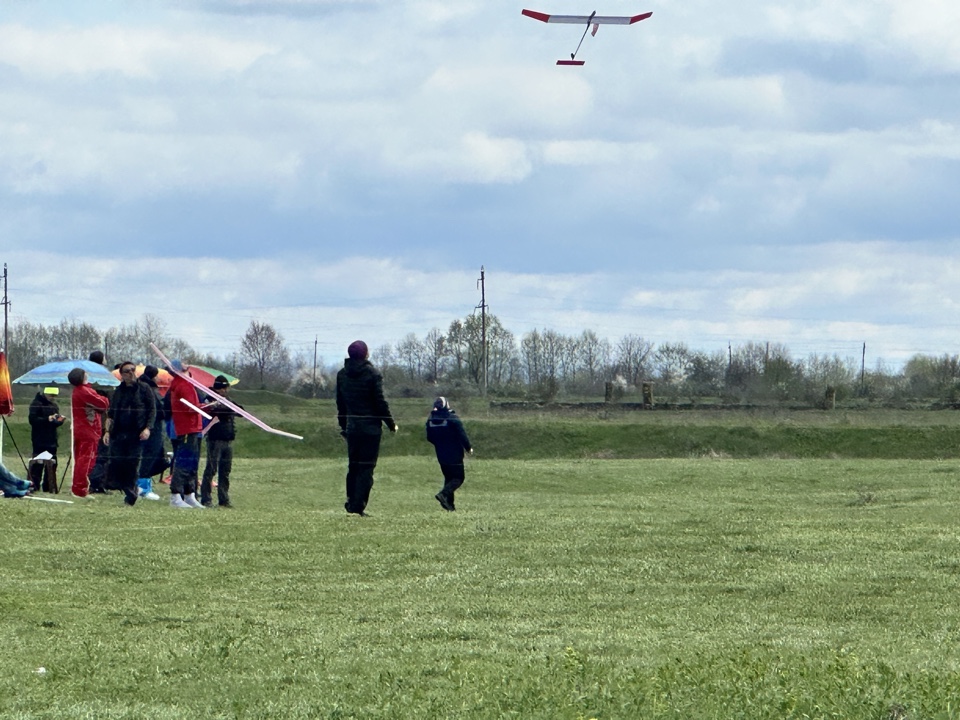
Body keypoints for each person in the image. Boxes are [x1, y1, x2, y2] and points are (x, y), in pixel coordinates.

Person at [336, 340, 398, 516]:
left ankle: (350, 501)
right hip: (370, 429)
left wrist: (343, 425)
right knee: (366, 468)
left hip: (353, 427)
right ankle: (358, 505)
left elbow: (340, 403)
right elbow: (380, 402)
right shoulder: (372, 374)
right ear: (365, 354)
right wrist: (391, 424)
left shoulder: (342, 375)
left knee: (353, 466)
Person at [103, 361, 156, 506]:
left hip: (136, 434)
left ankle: (131, 494)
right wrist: (107, 431)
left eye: (133, 370)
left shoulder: (144, 389)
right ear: (122, 374)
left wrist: (147, 428)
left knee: (132, 464)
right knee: (118, 462)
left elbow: (152, 410)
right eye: (127, 371)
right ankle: (125, 488)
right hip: (119, 433)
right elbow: (111, 414)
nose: (131, 373)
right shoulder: (118, 392)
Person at [167, 360, 205, 509]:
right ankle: (176, 495)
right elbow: (190, 408)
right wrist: (208, 407)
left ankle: (190, 494)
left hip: (193, 427)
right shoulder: (183, 385)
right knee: (184, 462)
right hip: (188, 428)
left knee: (192, 463)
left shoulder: (186, 383)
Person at [68, 367, 110, 498]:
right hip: (88, 429)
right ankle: (80, 489)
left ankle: (79, 487)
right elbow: (103, 403)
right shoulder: (85, 391)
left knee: (81, 458)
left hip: (82, 429)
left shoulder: (78, 391)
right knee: (86, 460)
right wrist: (103, 398)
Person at [425, 396, 473, 511]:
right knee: (458, 478)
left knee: (448, 478)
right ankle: (443, 494)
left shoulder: (430, 420)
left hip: (441, 454)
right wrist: (468, 447)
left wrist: (439, 444)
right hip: (455, 453)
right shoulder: (452, 418)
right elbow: (461, 434)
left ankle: (449, 505)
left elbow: (429, 437)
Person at [199, 375, 239, 508]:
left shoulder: (227, 400)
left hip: (228, 439)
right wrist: (228, 409)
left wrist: (230, 408)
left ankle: (224, 498)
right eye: (224, 388)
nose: (226, 391)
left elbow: (239, 410)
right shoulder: (209, 399)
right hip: (215, 439)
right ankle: (206, 498)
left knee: (225, 471)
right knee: (211, 469)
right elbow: (215, 411)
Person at [136, 365, 167, 500]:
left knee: (148, 456)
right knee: (149, 456)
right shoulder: (150, 390)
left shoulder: (140, 387)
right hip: (152, 428)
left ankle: (142, 484)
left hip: (147, 427)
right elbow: (157, 409)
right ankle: (143, 487)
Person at [85, 350, 112, 494]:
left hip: (90, 422)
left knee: (93, 454)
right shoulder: (102, 378)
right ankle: (96, 482)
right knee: (101, 454)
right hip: (100, 422)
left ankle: (96, 482)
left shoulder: (87, 376)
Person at [28, 386, 65, 491]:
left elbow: (54, 424)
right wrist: (47, 419)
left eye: (54, 396)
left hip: (52, 439)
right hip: (39, 439)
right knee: (37, 464)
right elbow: (33, 420)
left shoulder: (54, 405)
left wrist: (59, 421)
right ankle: (34, 485)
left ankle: (49, 486)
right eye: (50, 395)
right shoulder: (36, 404)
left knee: (52, 464)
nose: (52, 397)